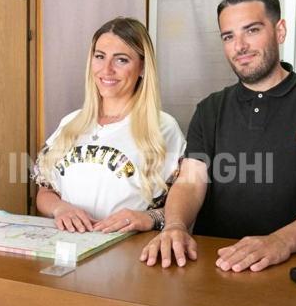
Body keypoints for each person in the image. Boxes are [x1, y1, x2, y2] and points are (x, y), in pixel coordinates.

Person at [140, 0, 296, 271]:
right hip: (216, 265)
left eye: (252, 30)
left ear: (279, 31)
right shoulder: (210, 109)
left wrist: (280, 242)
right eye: (228, 36)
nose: (239, 46)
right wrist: (175, 226)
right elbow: (191, 183)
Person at [33, 17, 185, 233]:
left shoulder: (163, 127)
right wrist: (60, 209)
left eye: (121, 60)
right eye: (99, 57)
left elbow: (185, 205)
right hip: (69, 249)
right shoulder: (70, 123)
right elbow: (45, 191)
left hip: (129, 251)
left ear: (142, 67)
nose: (106, 69)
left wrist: (147, 218)